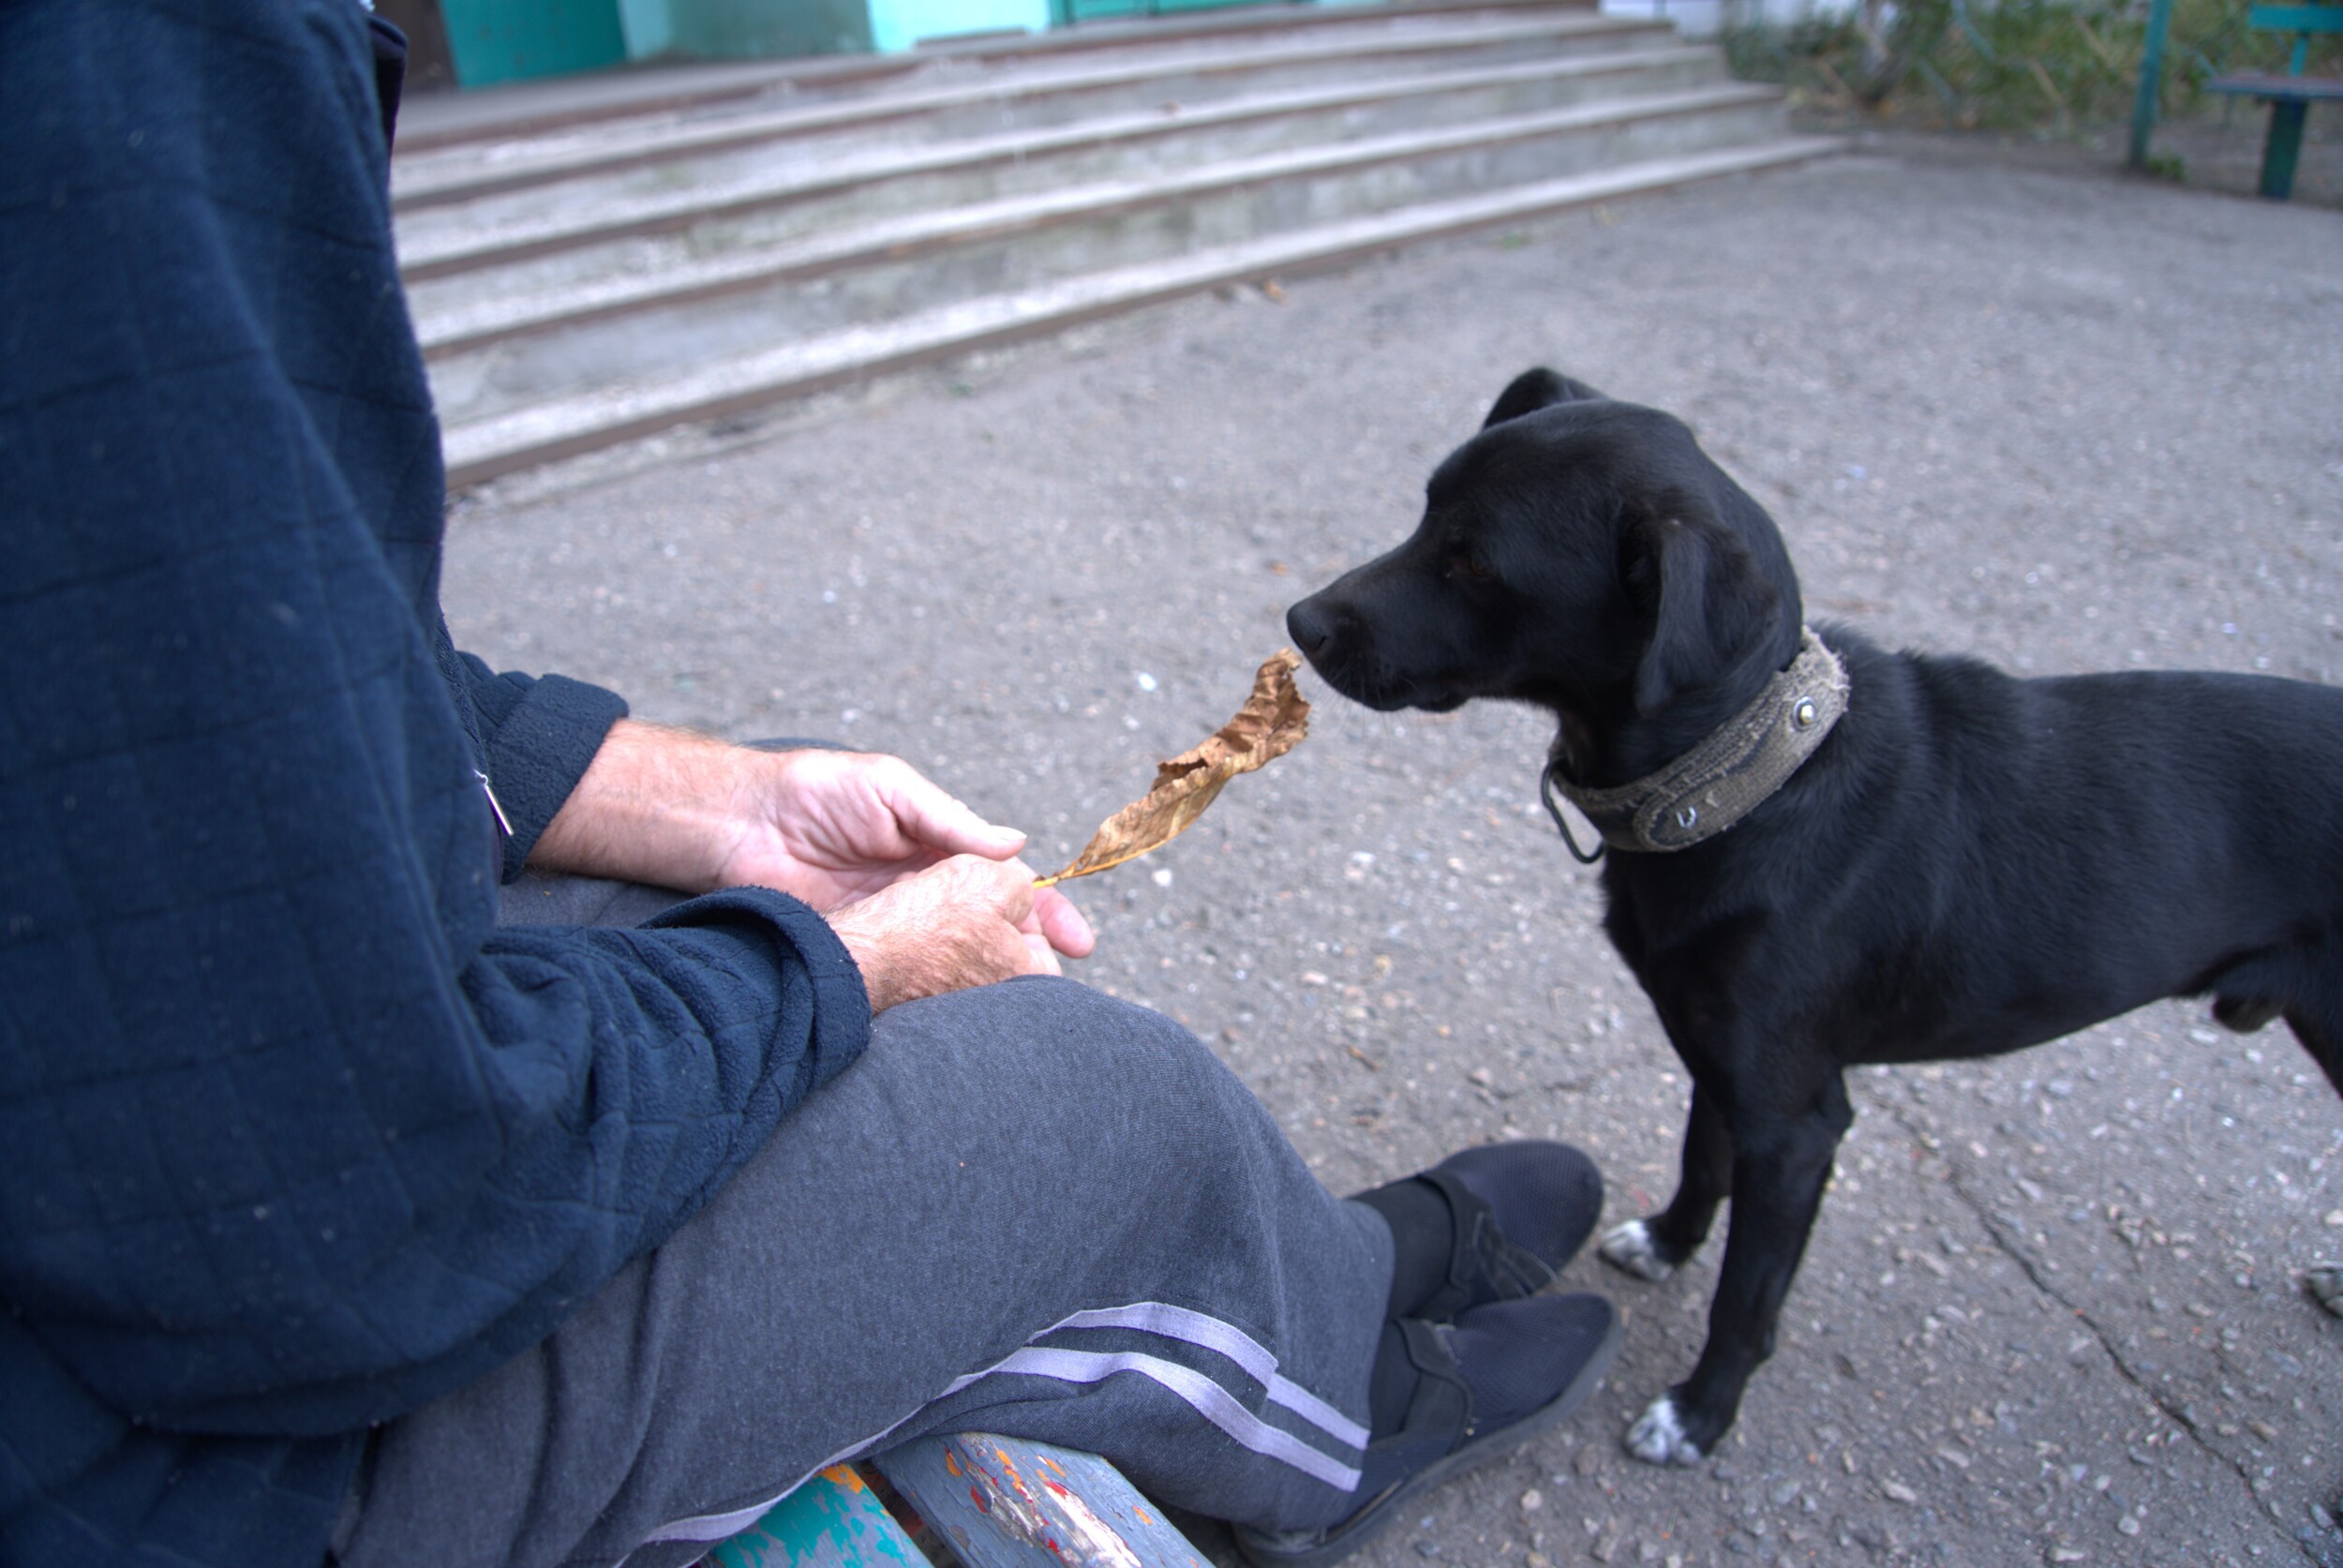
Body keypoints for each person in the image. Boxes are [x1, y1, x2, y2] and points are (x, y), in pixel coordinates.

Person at [0, 5, 1619, 1567]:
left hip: (151, 1165)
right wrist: (845, 970)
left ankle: (1326, 1265)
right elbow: (353, 1207)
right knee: (1107, 1109)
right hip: (195, 1473)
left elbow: (243, 704)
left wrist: (713, 803)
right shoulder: (127, 69)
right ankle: (1332, 1426)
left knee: (735, 897)